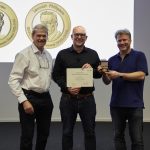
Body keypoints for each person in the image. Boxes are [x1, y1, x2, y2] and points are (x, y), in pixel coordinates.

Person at [52, 26, 102, 150]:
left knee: (90, 132)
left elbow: (99, 74)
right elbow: (55, 75)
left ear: (86, 37)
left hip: (88, 100)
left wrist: (93, 70)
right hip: (68, 99)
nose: (79, 37)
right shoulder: (62, 54)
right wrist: (66, 87)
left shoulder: (93, 53)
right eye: (76, 34)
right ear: (72, 37)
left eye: (82, 35)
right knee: (67, 132)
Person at [98, 29, 148, 150]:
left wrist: (120, 74)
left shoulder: (139, 55)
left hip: (134, 105)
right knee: (118, 137)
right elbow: (107, 82)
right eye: (119, 40)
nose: (122, 42)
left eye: (124, 40)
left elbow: (141, 75)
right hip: (116, 105)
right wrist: (104, 74)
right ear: (116, 42)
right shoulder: (112, 59)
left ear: (130, 40)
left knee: (137, 139)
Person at [8, 24, 53, 150]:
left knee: (44, 134)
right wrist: (24, 101)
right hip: (29, 98)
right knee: (27, 135)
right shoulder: (23, 54)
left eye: (44, 36)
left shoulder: (48, 55)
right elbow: (13, 80)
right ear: (32, 36)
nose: (41, 38)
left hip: (45, 98)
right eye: (38, 35)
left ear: (47, 37)